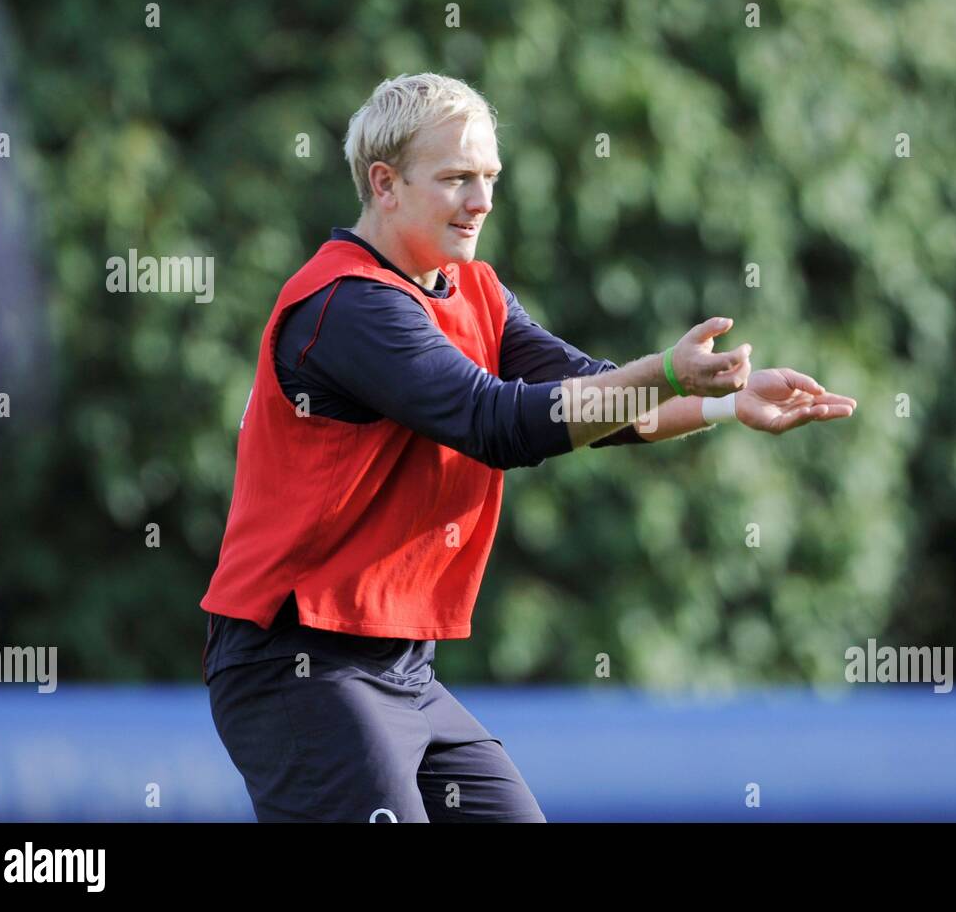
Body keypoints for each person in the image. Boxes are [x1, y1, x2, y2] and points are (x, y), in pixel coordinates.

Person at [200, 72, 857, 823]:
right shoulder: (350, 303)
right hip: (301, 663)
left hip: (400, 666)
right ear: (384, 183)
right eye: (455, 179)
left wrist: (725, 401)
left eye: (488, 178)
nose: (480, 201)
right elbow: (499, 424)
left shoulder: (474, 290)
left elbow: (597, 399)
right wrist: (670, 369)